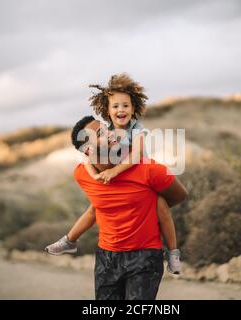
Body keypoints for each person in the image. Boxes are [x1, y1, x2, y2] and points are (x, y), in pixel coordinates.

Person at [46, 74, 182, 274]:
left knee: (161, 207)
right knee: (95, 208)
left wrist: (114, 170)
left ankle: (173, 253)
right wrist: (94, 176)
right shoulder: (106, 131)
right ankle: (70, 240)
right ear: (107, 111)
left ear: (134, 108)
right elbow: (87, 158)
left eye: (126, 105)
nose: (121, 110)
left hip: (141, 178)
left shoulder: (137, 129)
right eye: (116, 106)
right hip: (117, 180)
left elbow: (135, 156)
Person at [55, 116, 188, 299]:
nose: (111, 133)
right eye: (101, 133)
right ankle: (68, 241)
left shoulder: (148, 169)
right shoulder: (81, 175)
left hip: (145, 256)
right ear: (88, 150)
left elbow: (180, 195)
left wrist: (148, 209)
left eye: (106, 128)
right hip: (106, 257)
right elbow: (98, 207)